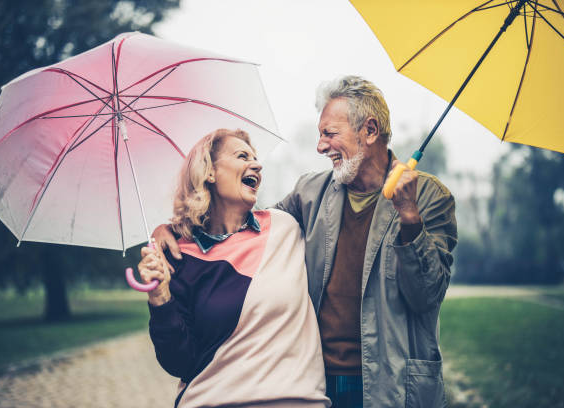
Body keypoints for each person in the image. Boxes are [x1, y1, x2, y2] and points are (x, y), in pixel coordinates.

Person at [152, 76, 457, 408]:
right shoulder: (309, 194)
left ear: (369, 131)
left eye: (329, 133)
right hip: (318, 385)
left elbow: (426, 296)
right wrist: (174, 230)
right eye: (320, 134)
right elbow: (244, 228)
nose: (320, 146)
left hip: (392, 385)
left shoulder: (430, 197)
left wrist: (409, 215)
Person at [138, 128, 330, 408]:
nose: (257, 164)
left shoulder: (285, 226)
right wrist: (160, 298)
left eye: (255, 158)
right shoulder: (179, 257)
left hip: (296, 400)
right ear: (209, 172)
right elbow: (179, 362)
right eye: (242, 156)